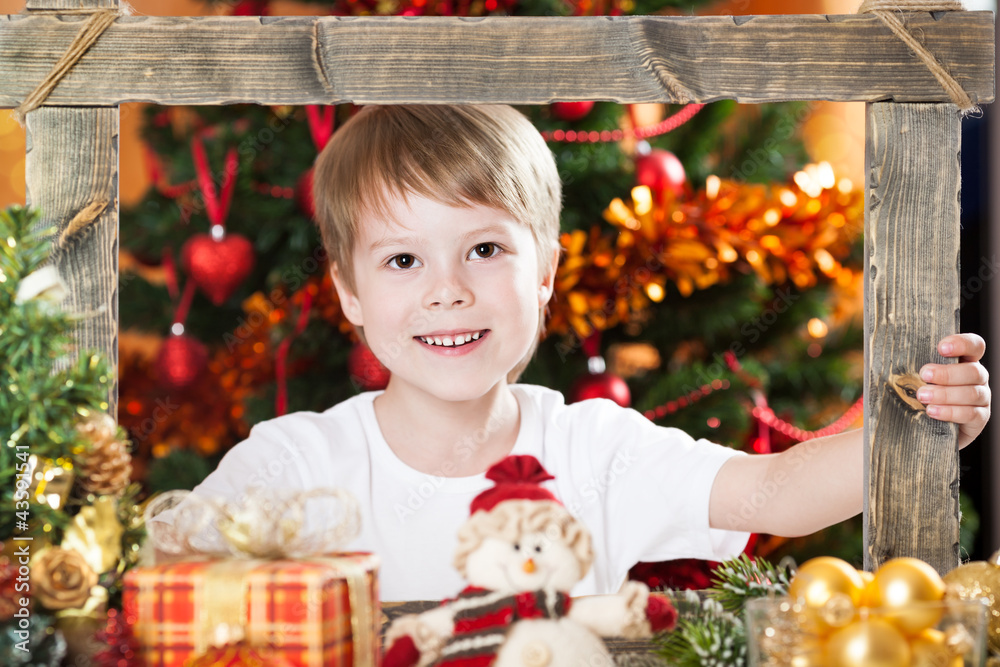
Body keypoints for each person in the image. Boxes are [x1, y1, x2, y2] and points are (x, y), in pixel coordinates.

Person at [153, 105, 991, 602]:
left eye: (484, 250)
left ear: (547, 272)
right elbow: (165, 573)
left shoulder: (595, 448)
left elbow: (776, 491)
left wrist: (924, 430)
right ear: (348, 292)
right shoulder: (296, 461)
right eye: (404, 259)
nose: (448, 289)